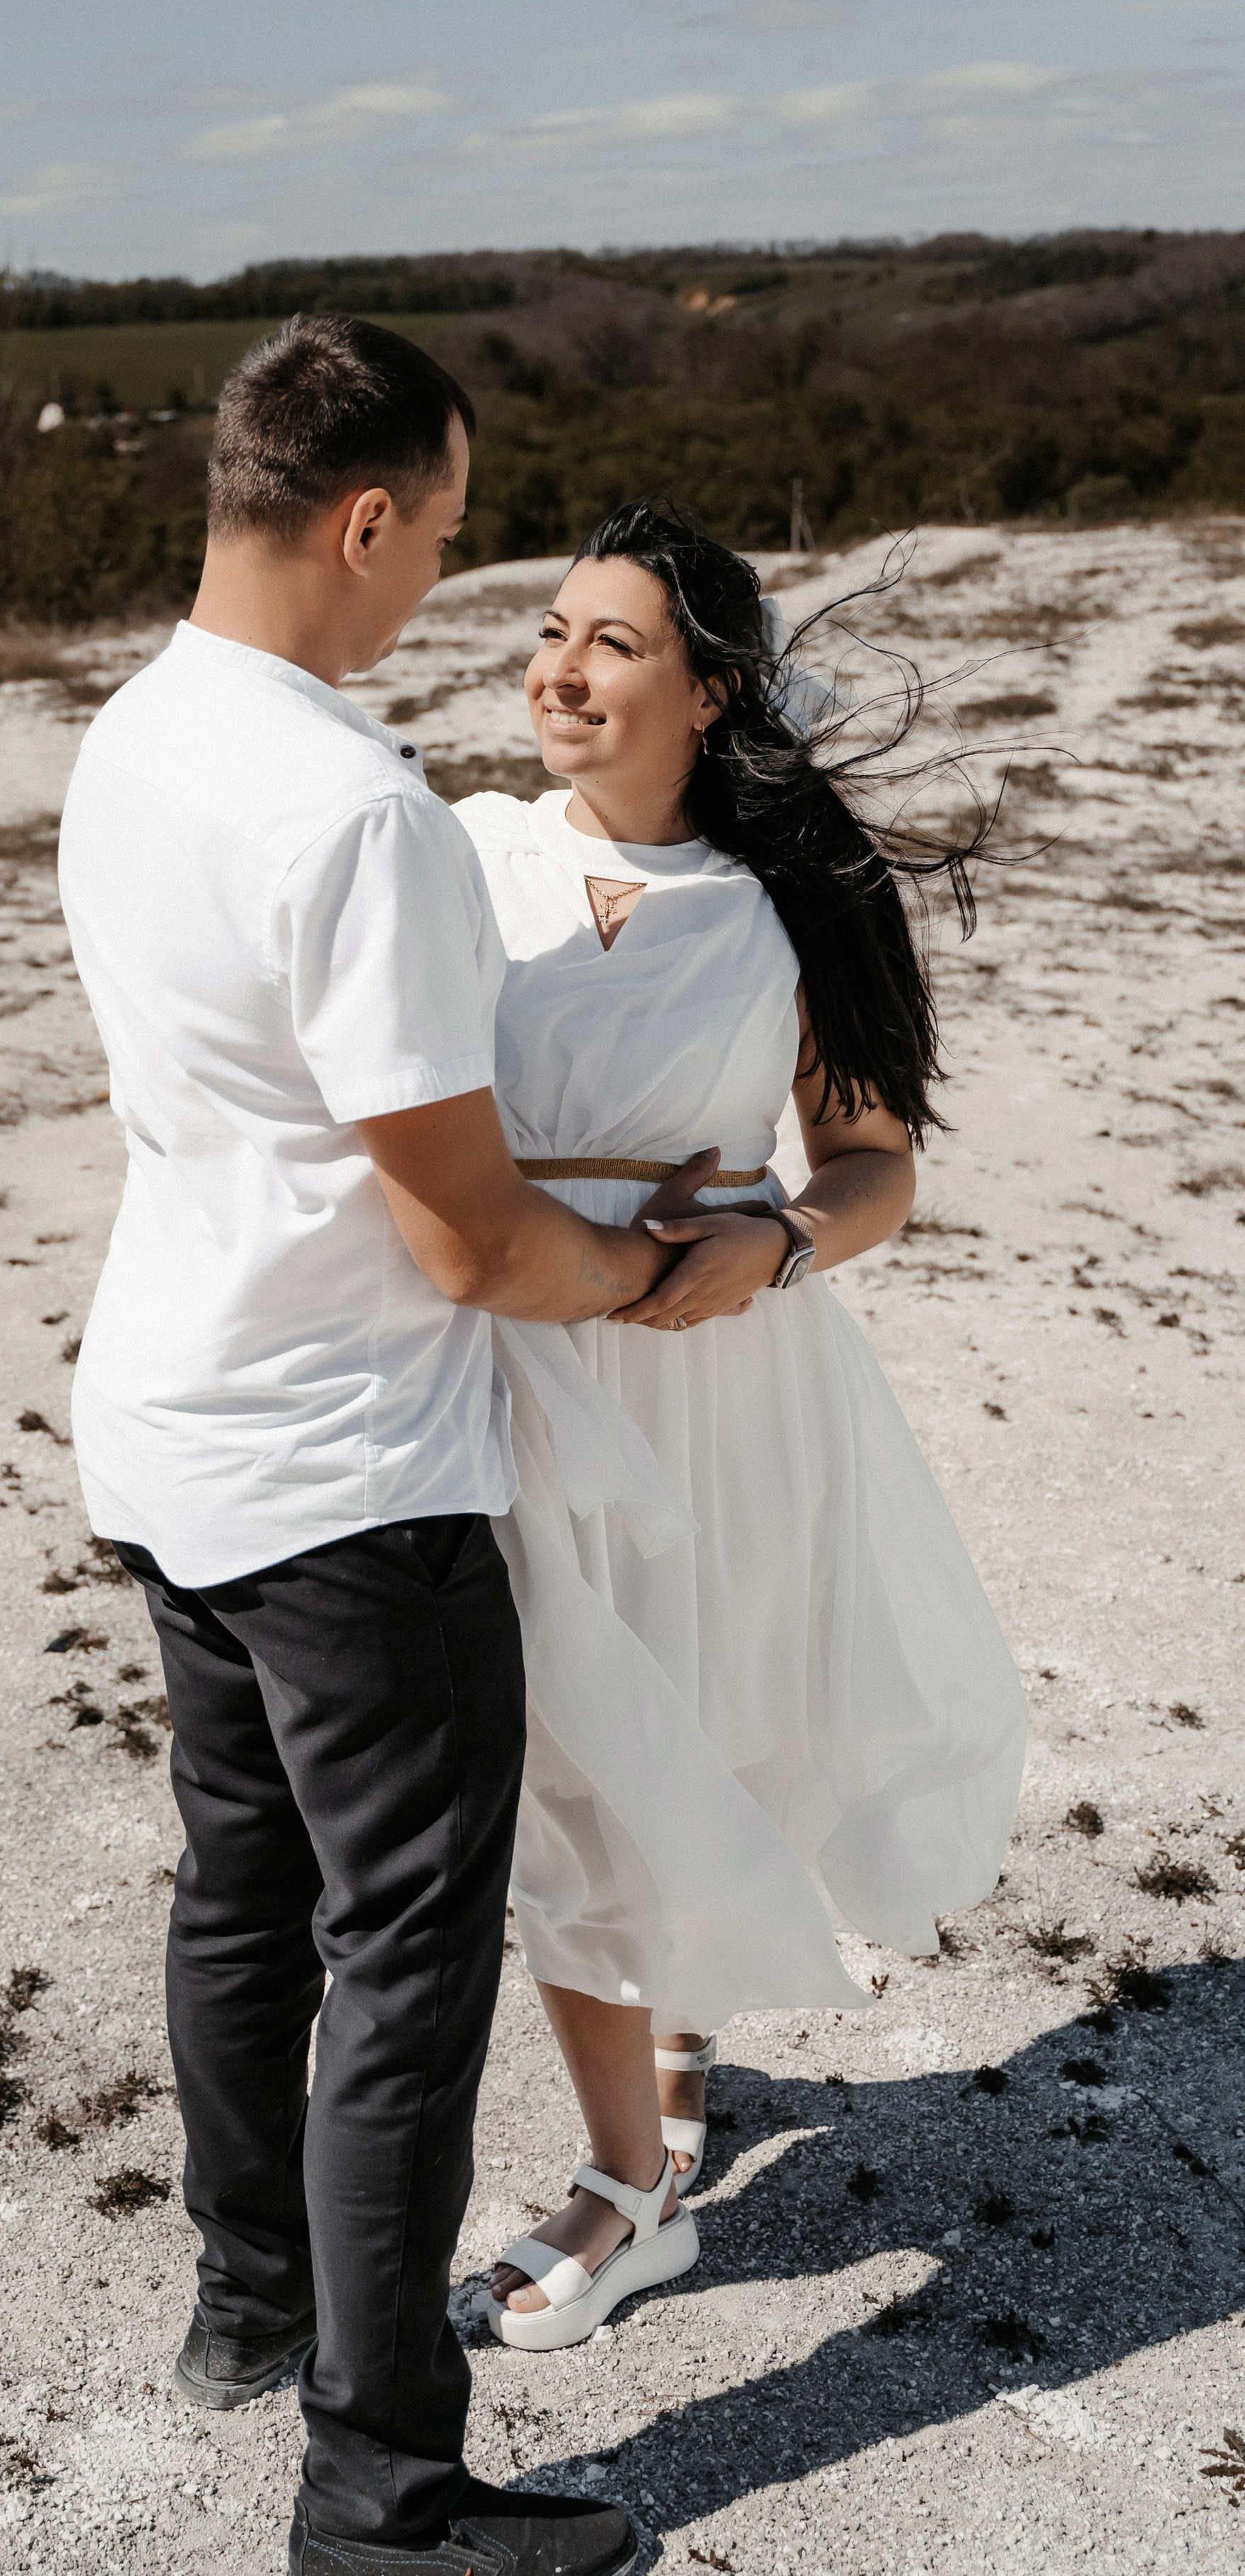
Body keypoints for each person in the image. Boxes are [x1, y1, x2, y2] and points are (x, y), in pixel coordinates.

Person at [59, 322, 694, 2576]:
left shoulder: (135, 734)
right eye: (440, 527)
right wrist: (665, 1279)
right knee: (404, 1963)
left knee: (243, 1897)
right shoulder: (356, 810)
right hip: (346, 1473)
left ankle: (252, 2310)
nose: (443, 570)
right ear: (357, 518)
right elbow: (464, 1231)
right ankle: (386, 2493)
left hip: (168, 1425)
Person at [440, 500, 1027, 2353]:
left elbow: (873, 1170)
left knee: (682, 1733)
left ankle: (638, 2170)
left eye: (611, 642)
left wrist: (777, 1240)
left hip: (719, 1375)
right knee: (560, 1765)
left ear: (711, 686)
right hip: (507, 1366)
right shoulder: (457, 854)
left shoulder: (801, 900)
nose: (558, 668)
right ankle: (639, 2168)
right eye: (549, 630)